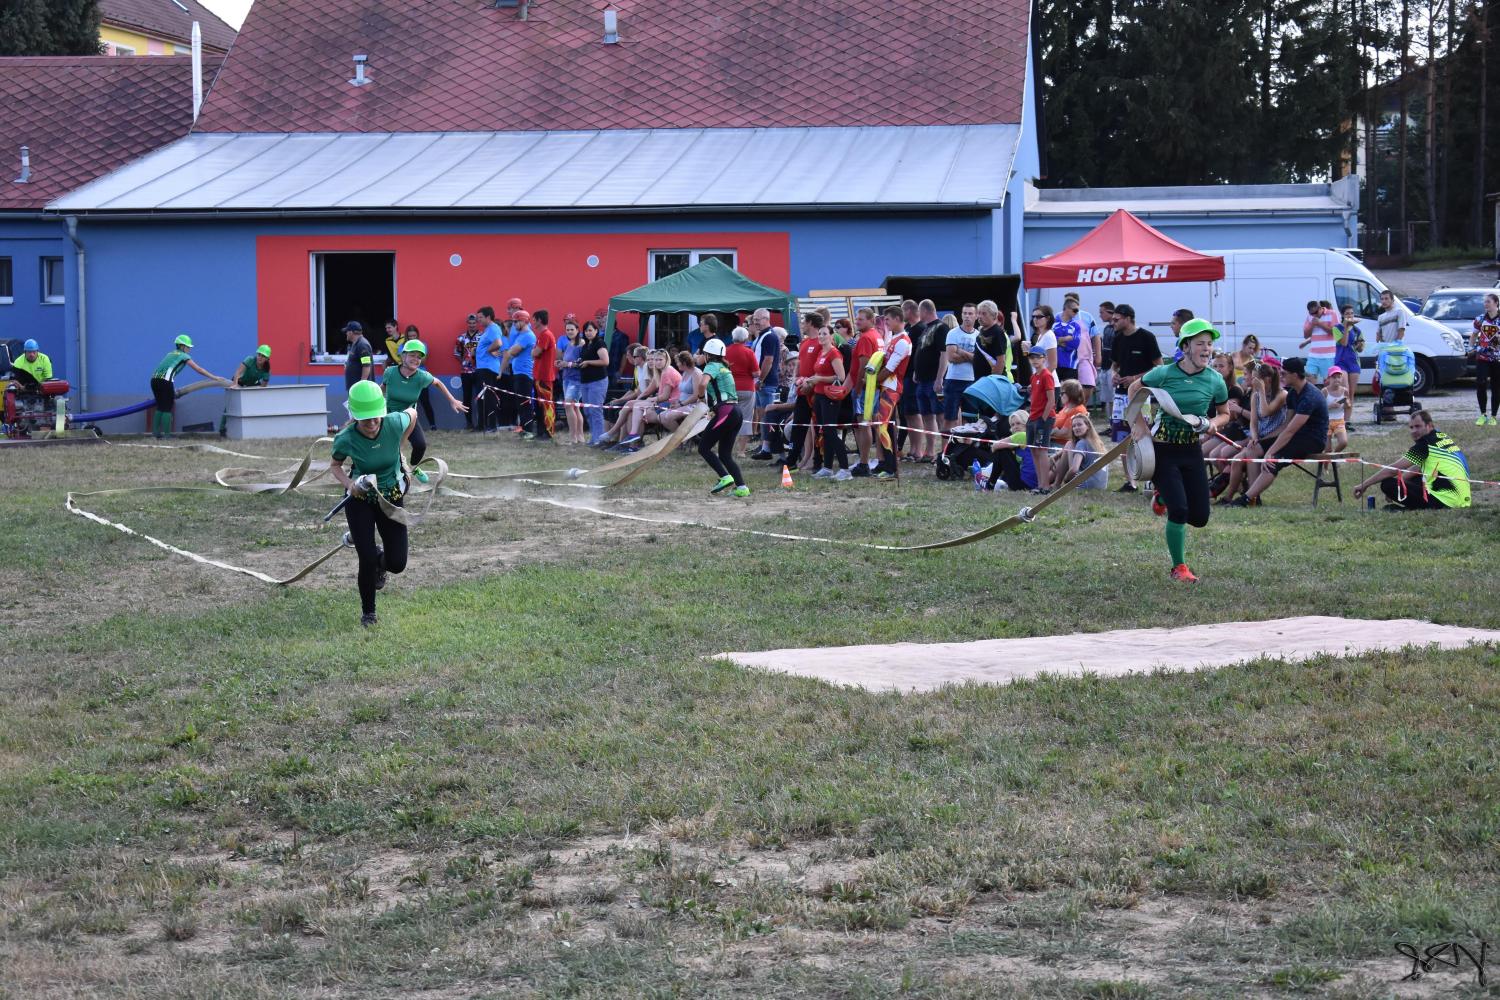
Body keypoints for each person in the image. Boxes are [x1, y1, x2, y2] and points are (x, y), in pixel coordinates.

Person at [1130, 318, 1230, 582]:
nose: (1207, 349)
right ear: (1185, 347)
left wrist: (1213, 423)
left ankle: (1161, 498)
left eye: (1209, 344)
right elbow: (1134, 389)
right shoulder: (1163, 373)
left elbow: (1225, 413)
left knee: (1199, 518)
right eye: (1200, 343)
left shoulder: (1215, 380)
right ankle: (1179, 568)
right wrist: (1138, 425)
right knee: (1180, 511)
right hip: (1163, 450)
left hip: (1192, 450)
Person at [331, 381, 415, 627]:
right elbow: (335, 466)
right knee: (366, 558)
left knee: (397, 563)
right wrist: (350, 484)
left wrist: (400, 447)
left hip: (391, 498)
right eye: (365, 419)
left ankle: (380, 560)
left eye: (375, 417)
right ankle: (369, 613)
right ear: (355, 416)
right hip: (361, 500)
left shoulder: (394, 423)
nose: (371, 423)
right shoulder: (345, 438)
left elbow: (413, 413)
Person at [1232, 356, 1328, 507]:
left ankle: (1246, 499)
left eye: (1284, 373)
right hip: (1297, 435)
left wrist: (1270, 452)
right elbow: (1285, 426)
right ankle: (1254, 498)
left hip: (1313, 439)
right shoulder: (1293, 393)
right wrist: (1261, 442)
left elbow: (1290, 431)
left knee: (1272, 461)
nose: (1280, 376)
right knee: (1253, 449)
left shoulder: (1309, 396)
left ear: (1295, 375)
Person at [382, 339, 467, 481]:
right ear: (403, 356)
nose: (416, 359)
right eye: (412, 355)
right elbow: (382, 388)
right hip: (389, 416)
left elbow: (438, 383)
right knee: (389, 449)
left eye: (419, 357)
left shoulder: (422, 376)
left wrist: (452, 400)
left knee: (420, 445)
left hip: (409, 417)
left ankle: (414, 467)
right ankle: (390, 474)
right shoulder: (390, 372)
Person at [1353, 410, 1472, 510]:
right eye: (1411, 427)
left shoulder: (1424, 444)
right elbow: (1418, 468)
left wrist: (1364, 485)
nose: (1414, 431)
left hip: (1445, 501)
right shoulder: (1441, 437)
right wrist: (1400, 482)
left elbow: (1393, 469)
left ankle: (1415, 508)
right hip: (1462, 499)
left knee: (1388, 484)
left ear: (1429, 425)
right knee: (1412, 478)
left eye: (1418, 426)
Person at [1215, 360, 1288, 505]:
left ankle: (1254, 497)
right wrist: (1254, 437)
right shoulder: (1256, 395)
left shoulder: (1281, 394)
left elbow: (1265, 412)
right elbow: (1253, 422)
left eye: (1256, 378)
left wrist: (1261, 391)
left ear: (1267, 379)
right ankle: (1229, 497)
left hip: (1274, 437)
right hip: (1260, 437)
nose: (1252, 381)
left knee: (1250, 453)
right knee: (1237, 461)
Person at [1107, 304, 1162, 491]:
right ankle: (1129, 481)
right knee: (1122, 439)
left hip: (1141, 395)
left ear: (1128, 318)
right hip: (1120, 395)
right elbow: (1115, 365)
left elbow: (1159, 367)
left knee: (1143, 435)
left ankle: (1150, 477)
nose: (1113, 323)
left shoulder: (1146, 337)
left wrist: (1135, 378)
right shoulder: (1118, 338)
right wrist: (1114, 374)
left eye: (1116, 319)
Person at [696, 338, 750, 497]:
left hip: (726, 411)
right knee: (725, 454)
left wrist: (701, 399)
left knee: (703, 448)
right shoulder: (724, 367)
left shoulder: (711, 365)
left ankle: (725, 477)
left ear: (708, 355)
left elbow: (702, 384)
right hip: (736, 412)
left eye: (703, 353)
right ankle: (742, 488)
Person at [149, 334, 227, 438]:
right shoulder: (184, 356)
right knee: (167, 408)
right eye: (188, 347)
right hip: (165, 381)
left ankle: (155, 434)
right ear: (182, 346)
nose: (189, 349)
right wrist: (215, 377)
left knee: (160, 407)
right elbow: (199, 369)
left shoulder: (170, 354)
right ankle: (167, 436)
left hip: (154, 380)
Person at [804, 315, 852, 481]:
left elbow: (841, 376)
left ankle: (845, 469)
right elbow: (819, 372)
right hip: (819, 395)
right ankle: (827, 467)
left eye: (825, 334)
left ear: (832, 337)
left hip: (829, 396)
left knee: (831, 431)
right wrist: (810, 379)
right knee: (825, 432)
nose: (821, 336)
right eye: (820, 334)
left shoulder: (834, 353)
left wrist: (819, 379)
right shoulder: (821, 352)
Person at [871, 305, 913, 480]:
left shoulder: (903, 341)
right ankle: (886, 464)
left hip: (892, 387)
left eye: (887, 319)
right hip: (886, 386)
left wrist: (871, 382)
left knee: (883, 426)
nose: (885, 323)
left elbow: (890, 368)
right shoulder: (894, 338)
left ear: (897, 319)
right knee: (884, 426)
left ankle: (891, 468)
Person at [906, 299, 946, 462]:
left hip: (934, 380)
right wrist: (916, 370)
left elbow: (944, 354)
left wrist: (940, 378)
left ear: (924, 311)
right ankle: (929, 452)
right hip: (922, 381)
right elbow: (921, 352)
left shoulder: (941, 327)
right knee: (926, 416)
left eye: (919, 311)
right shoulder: (926, 328)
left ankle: (944, 452)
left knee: (940, 416)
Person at [748, 309, 784, 459]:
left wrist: (761, 380)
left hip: (766, 383)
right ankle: (765, 447)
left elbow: (768, 361)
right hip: (762, 382)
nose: (755, 322)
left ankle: (773, 450)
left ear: (766, 319)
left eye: (758, 319)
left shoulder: (769, 336)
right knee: (763, 417)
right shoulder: (762, 336)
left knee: (769, 417)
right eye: (754, 320)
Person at [500, 309, 539, 439]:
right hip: (519, 373)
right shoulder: (520, 335)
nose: (514, 324)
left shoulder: (527, 336)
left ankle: (528, 430)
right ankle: (524, 428)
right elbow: (511, 350)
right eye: (513, 322)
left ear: (524, 321)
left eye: (516, 322)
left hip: (524, 374)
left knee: (524, 403)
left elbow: (512, 352)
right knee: (520, 403)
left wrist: (510, 350)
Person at [219, 344, 272, 437]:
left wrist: (259, 395)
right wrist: (235, 384)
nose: (260, 357)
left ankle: (255, 428)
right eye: (259, 354)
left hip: (252, 384)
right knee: (230, 405)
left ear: (267, 359)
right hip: (239, 381)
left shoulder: (266, 369)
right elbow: (238, 372)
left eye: (263, 356)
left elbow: (263, 386)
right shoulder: (250, 360)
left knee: (254, 405)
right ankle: (222, 428)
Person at [1024, 345, 1056, 491]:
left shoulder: (1046, 375)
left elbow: (1051, 400)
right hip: (1033, 416)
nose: (1035, 360)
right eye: (1032, 357)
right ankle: (1039, 484)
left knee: (1042, 450)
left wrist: (1043, 419)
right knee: (1033, 450)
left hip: (1043, 418)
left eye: (1038, 357)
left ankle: (1045, 485)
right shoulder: (1034, 377)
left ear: (1044, 359)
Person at [943, 303, 979, 433]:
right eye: (965, 313)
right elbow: (951, 357)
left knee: (969, 420)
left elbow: (979, 360)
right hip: (954, 380)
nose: (967, 316)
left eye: (970, 313)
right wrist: (972, 356)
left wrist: (961, 351)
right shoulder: (953, 333)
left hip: (972, 381)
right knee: (950, 418)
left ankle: (966, 445)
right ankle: (947, 445)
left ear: (976, 316)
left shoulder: (979, 335)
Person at [574, 320, 610, 445]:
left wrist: (588, 362)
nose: (588, 333)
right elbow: (585, 359)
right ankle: (594, 438)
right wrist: (580, 361)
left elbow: (605, 361)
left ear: (596, 331)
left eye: (590, 330)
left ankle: (599, 440)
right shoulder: (586, 345)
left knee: (595, 410)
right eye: (586, 331)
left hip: (598, 381)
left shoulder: (599, 343)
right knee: (588, 411)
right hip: (585, 381)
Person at [724, 326, 759, 458]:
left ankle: (726, 448)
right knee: (746, 419)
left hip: (729, 388)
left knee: (727, 418)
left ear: (733, 337)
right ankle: (741, 451)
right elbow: (756, 373)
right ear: (745, 338)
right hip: (747, 388)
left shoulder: (725, 351)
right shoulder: (749, 352)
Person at [655, 350, 705, 433]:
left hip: (694, 405)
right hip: (683, 403)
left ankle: (681, 438)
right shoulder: (685, 373)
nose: (677, 364)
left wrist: (680, 404)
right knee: (660, 416)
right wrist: (677, 402)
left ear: (684, 363)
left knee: (668, 417)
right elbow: (682, 392)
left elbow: (696, 396)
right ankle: (681, 437)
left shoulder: (696, 373)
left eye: (678, 362)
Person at [1058, 412, 1109, 490]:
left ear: (1088, 426)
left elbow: (1074, 470)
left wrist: (1066, 480)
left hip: (1085, 485)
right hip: (1102, 485)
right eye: (1074, 426)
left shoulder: (1082, 443)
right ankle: (1055, 483)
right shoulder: (1098, 442)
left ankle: (1056, 484)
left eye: (1079, 425)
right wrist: (1056, 456)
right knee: (1069, 444)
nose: (1076, 428)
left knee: (1069, 444)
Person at [1470, 292, 1500, 426]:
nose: (1485, 304)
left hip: (1497, 359)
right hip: (1482, 357)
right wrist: (1471, 347)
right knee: (1481, 383)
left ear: (1496, 303)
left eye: (1488, 301)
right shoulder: (1480, 319)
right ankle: (1483, 415)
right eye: (1485, 302)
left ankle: (1493, 416)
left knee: (1496, 387)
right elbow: (1474, 335)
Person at [474, 307, 504, 433]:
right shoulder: (487, 330)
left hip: (488, 368)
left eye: (480, 317)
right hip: (483, 367)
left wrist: (488, 350)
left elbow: (498, 343)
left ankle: (492, 426)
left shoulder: (493, 328)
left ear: (488, 317)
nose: (478, 320)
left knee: (489, 397)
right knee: (482, 397)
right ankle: (482, 425)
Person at [531, 309, 558, 441]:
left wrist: (533, 352)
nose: (533, 323)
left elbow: (535, 352)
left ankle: (548, 432)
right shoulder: (542, 335)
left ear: (540, 320)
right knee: (539, 406)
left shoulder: (546, 335)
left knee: (546, 405)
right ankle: (541, 431)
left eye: (534, 320)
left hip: (544, 376)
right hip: (539, 375)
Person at [558, 318, 586, 444]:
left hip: (577, 380)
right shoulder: (569, 344)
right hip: (567, 379)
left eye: (572, 329)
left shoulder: (581, 343)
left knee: (568, 405)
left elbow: (582, 363)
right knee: (575, 407)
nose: (569, 331)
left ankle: (573, 437)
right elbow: (568, 361)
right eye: (567, 329)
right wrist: (561, 363)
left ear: (577, 330)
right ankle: (579, 436)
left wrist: (567, 364)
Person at [1334, 306, 1362, 427]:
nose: (1350, 316)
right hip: (1341, 362)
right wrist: (1346, 327)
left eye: (1351, 313)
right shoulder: (1336, 328)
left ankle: (1347, 421)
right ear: (1342, 315)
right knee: (1345, 390)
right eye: (1347, 313)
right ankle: (1337, 416)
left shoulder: (1357, 330)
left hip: (1353, 362)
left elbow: (1360, 349)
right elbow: (1344, 343)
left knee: (1351, 393)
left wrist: (1360, 345)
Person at [1299, 299, 1337, 383]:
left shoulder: (1332, 314)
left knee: (1328, 382)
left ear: (1320, 308)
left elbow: (1335, 333)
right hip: (1313, 355)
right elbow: (1306, 335)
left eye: (1316, 312)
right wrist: (1312, 325)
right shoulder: (1310, 317)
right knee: (1309, 381)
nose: (1314, 315)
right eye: (1312, 313)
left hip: (1328, 356)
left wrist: (1321, 324)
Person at [455, 314, 481, 429]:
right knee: (467, 398)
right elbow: (456, 352)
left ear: (477, 323)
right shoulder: (461, 338)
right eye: (470, 323)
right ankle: (469, 423)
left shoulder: (482, 336)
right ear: (467, 323)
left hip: (479, 371)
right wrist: (464, 361)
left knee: (480, 397)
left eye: (474, 323)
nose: (472, 325)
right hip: (465, 372)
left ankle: (481, 423)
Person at [973, 300, 1008, 383]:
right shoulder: (981, 332)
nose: (980, 316)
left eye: (984, 314)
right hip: (980, 380)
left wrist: (994, 381)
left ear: (994, 316)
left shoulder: (997, 332)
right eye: (979, 313)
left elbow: (1001, 360)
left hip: (991, 382)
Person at [1052, 300, 1085, 385]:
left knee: (1070, 391)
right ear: (1066, 308)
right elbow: (1048, 339)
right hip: (1054, 364)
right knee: (1054, 390)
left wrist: (1057, 341)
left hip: (1070, 365)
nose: (1076, 313)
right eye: (1075, 310)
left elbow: (1075, 343)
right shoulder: (1053, 323)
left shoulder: (1076, 326)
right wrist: (1065, 339)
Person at [1323, 366, 1349, 452]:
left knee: (1343, 442)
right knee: (1327, 449)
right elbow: (1319, 409)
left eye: (1339, 377)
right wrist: (1329, 406)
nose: (1337, 379)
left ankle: (1334, 456)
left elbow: (1348, 406)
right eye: (1334, 377)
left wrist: (1347, 404)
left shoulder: (1345, 391)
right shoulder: (1324, 391)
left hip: (1339, 420)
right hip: (1326, 421)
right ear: (1328, 379)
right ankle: (1326, 460)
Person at [343, 320, 374, 390]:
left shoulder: (362, 345)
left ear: (351, 332)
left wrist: (361, 385)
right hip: (354, 387)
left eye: (347, 331)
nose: (346, 333)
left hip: (360, 389)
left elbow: (366, 366)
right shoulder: (356, 343)